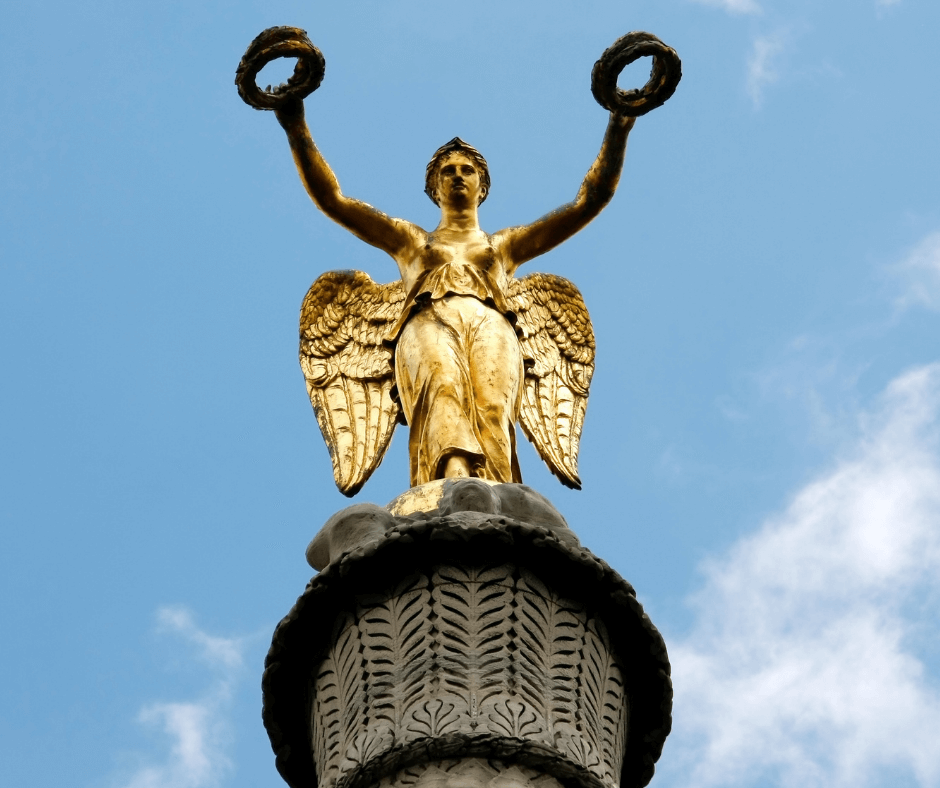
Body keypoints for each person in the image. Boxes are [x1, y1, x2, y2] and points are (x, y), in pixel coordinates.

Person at [274, 98, 636, 486]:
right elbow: (334, 199)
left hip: (492, 322)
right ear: (434, 188)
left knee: (493, 407)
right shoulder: (411, 242)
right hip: (426, 321)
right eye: (447, 171)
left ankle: (498, 490)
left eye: (467, 170)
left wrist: (620, 123)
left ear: (483, 186)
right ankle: (451, 480)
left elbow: (589, 201)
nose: (457, 176)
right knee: (440, 389)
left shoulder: (505, 247)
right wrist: (296, 126)